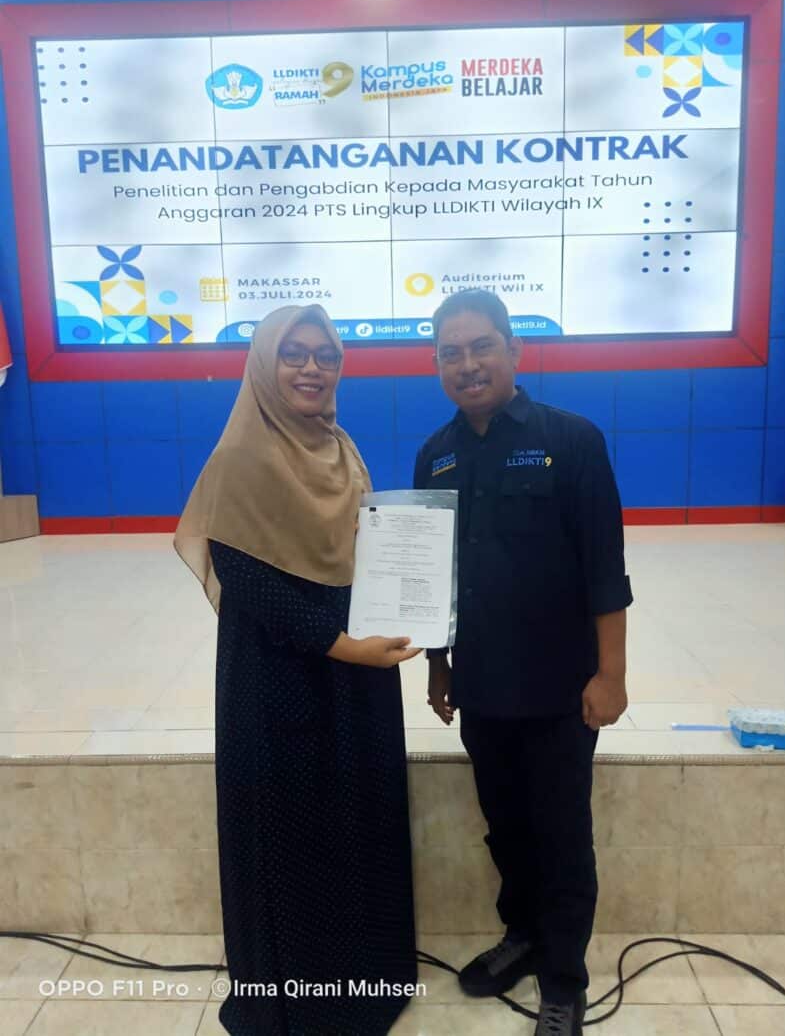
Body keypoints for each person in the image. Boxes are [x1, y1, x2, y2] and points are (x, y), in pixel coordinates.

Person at [175, 305, 419, 1036]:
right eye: (294, 353)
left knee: (357, 822)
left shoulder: (342, 450)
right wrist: (343, 645)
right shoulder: (240, 458)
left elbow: (369, 554)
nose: (313, 368)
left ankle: (364, 985)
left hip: (355, 677)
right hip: (277, 681)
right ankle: (299, 1004)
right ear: (264, 364)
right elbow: (249, 580)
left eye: (326, 355)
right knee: (292, 835)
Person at [413, 289, 633, 1036]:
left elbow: (604, 567)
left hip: (561, 688)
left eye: (482, 346)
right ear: (437, 364)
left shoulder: (571, 440)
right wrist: (438, 666)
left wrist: (611, 674)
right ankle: (523, 936)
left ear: (513, 350)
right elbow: (434, 578)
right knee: (504, 826)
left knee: (562, 837)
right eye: (451, 353)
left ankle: (564, 980)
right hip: (482, 685)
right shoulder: (435, 456)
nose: (467, 364)